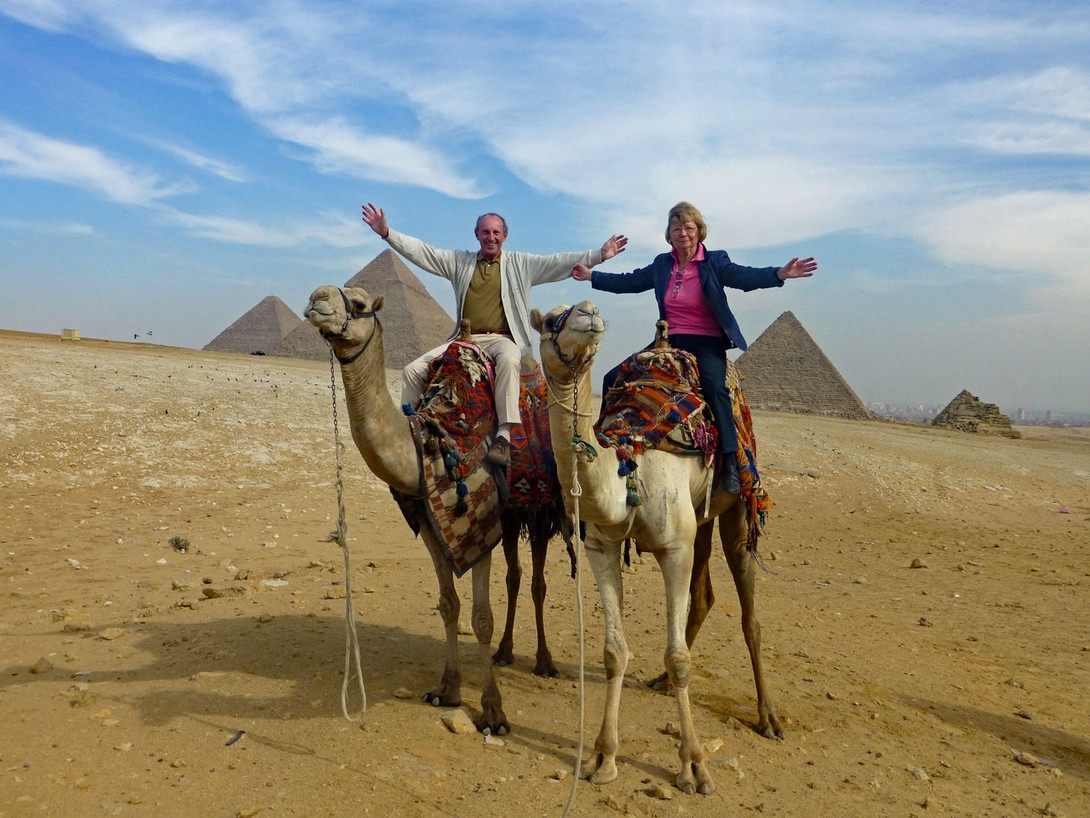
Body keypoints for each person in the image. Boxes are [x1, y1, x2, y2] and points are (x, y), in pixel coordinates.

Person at [571, 201, 815, 493]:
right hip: (669, 338)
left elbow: (743, 276)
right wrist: (591, 277)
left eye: (688, 227)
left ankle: (730, 461)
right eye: (676, 228)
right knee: (613, 377)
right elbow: (631, 281)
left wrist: (778, 274)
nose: (682, 233)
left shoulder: (714, 262)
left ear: (699, 231)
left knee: (715, 388)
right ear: (669, 234)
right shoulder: (663, 264)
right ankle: (604, 441)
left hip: (707, 340)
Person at [363, 202, 628, 467]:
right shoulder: (460, 262)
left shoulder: (520, 264)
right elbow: (423, 253)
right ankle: (409, 430)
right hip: (465, 338)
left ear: (504, 236)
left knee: (510, 360)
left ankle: (504, 434)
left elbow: (557, 262)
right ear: (476, 234)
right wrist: (387, 233)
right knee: (412, 370)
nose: (491, 237)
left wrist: (599, 255)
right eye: (486, 232)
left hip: (503, 339)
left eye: (496, 233)